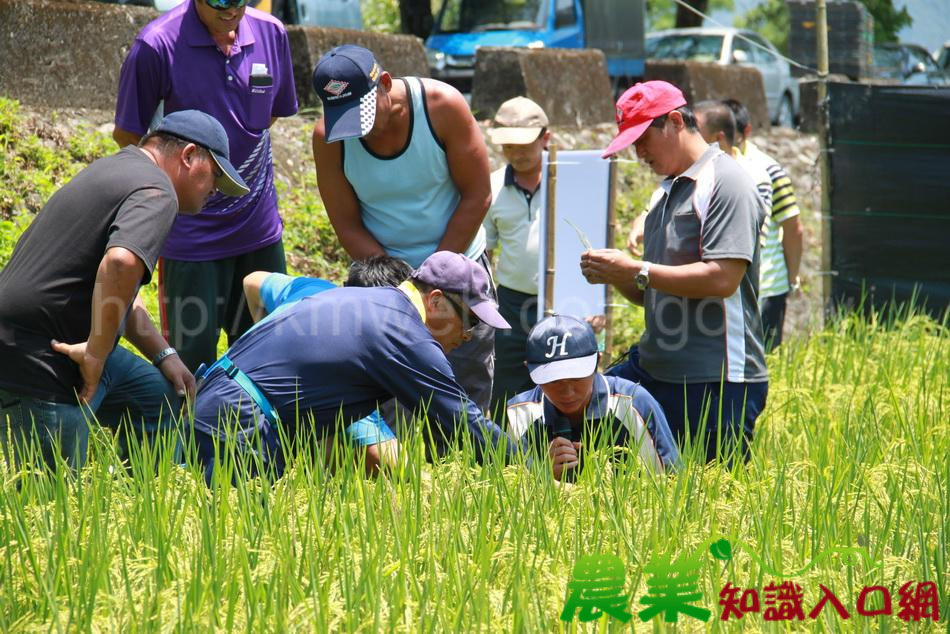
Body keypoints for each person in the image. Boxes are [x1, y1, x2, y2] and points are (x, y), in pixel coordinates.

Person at [0, 110, 248, 469]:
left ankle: (147, 502)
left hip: (41, 338)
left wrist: (165, 356)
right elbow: (119, 264)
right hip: (46, 355)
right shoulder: (158, 190)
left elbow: (118, 289)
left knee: (158, 399)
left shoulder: (120, 169)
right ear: (189, 155)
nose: (215, 191)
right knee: (52, 506)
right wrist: (96, 356)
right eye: (216, 177)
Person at [189, 251, 513, 484]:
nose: (470, 335)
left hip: (225, 403)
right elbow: (461, 420)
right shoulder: (402, 331)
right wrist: (531, 468)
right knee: (236, 550)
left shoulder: (372, 303)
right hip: (241, 422)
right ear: (437, 300)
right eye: (470, 319)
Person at [580, 81, 769, 462]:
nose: (638, 152)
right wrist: (617, 275)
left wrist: (638, 268)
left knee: (711, 504)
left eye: (642, 138)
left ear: (674, 121)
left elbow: (722, 278)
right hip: (656, 371)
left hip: (715, 380)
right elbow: (651, 292)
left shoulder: (726, 183)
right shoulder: (665, 191)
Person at [113, 0, 299, 373]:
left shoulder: (271, 33)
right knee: (189, 365)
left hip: (258, 230)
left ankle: (257, 434)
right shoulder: (156, 45)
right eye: (219, 0)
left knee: (268, 360)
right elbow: (128, 134)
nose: (231, 9)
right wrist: (191, 185)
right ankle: (191, 434)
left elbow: (271, 113)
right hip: (191, 237)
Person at [311, 45, 496, 413]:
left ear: (384, 83)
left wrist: (434, 280)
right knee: (392, 400)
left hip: (458, 269)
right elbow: (347, 223)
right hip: (386, 282)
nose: (358, 130)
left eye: (362, 113)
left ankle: (467, 469)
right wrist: (402, 289)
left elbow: (478, 195)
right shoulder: (328, 139)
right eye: (344, 118)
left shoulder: (442, 107)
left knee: (465, 389)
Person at [238, 255, 413, 473]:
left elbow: (252, 280)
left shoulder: (316, 288)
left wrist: (270, 333)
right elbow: (387, 458)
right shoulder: (351, 354)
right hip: (245, 428)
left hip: (222, 384)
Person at [505, 315, 680, 482]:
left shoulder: (632, 404)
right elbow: (511, 494)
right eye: (553, 380)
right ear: (529, 368)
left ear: (598, 360)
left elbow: (671, 483)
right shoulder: (519, 413)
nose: (567, 392)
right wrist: (543, 474)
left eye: (576, 378)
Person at [481, 96, 550, 417]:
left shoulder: (571, 181)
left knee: (565, 377)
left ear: (545, 138)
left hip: (564, 300)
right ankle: (507, 456)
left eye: (523, 144)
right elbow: (486, 248)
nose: (517, 153)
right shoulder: (492, 186)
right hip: (511, 302)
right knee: (508, 381)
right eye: (508, 146)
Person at [724, 99, 805, 351]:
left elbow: (793, 227)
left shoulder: (767, 169)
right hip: (730, 288)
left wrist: (791, 279)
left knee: (764, 363)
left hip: (767, 285)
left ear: (745, 132)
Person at [695, 100, 773, 210]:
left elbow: (757, 225)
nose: (690, 136)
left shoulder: (755, 177)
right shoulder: (687, 174)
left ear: (718, 138)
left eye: (695, 131)